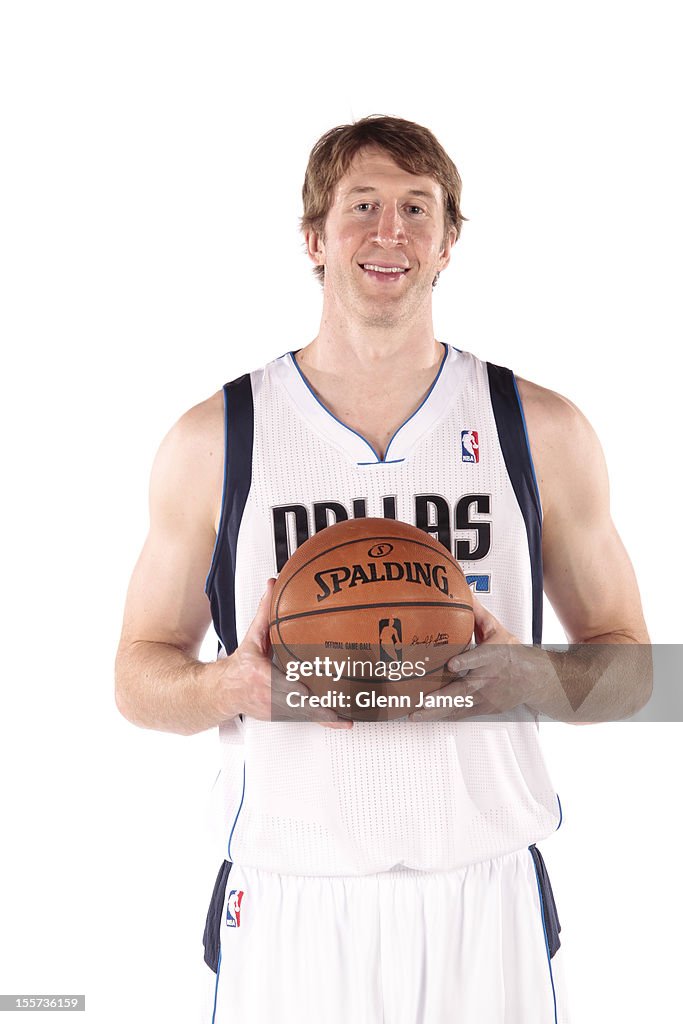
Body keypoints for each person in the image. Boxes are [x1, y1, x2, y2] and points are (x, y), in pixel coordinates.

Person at [115, 115, 650, 1023]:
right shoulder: (217, 438)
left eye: (416, 208)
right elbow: (134, 677)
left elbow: (643, 673)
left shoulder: (539, 429)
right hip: (291, 890)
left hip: (484, 887)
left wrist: (537, 678)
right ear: (314, 237)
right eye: (362, 206)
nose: (388, 232)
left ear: (448, 242)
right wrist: (228, 687)